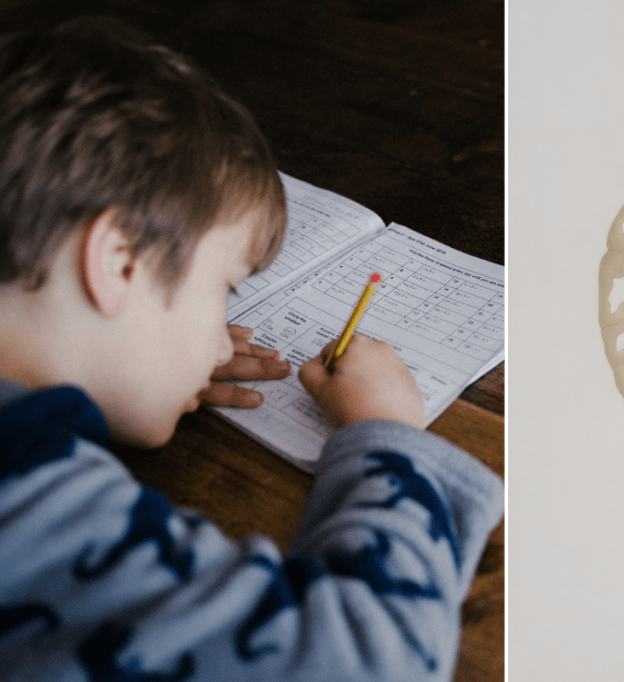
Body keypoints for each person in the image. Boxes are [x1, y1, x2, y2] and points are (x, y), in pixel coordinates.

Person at [0, 18, 503, 681]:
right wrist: (387, 436)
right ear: (121, 261)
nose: (218, 345)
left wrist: (120, 371)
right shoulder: (34, 508)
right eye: (225, 289)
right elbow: (374, 662)